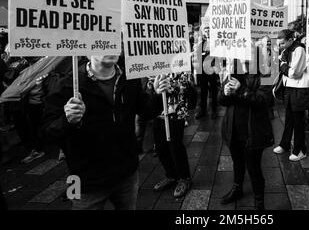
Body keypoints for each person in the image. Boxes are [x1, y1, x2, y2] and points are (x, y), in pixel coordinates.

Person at [41, 55, 163, 210]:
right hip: (83, 180)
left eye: (114, 40)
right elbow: (46, 131)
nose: (109, 47)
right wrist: (67, 120)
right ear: (87, 50)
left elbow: (146, 111)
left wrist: (158, 95)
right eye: (102, 40)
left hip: (127, 173)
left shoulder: (129, 80)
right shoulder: (66, 84)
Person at [219, 64, 274, 210]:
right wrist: (224, 93)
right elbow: (222, 101)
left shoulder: (265, 72)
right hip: (233, 129)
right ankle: (237, 189)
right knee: (237, 162)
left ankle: (259, 201)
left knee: (253, 167)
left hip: (253, 132)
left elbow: (264, 100)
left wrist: (241, 90)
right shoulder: (232, 69)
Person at [151, 72, 196, 198]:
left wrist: (171, 86)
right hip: (158, 114)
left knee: (175, 147)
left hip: (176, 115)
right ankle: (171, 175)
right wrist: (155, 89)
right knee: (160, 148)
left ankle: (184, 178)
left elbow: (185, 88)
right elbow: (147, 92)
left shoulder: (181, 69)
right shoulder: (153, 68)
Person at [273, 29, 309, 161]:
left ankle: (300, 150)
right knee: (289, 119)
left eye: (282, 43)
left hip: (299, 89)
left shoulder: (299, 50)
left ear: (291, 40)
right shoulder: (287, 50)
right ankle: (285, 144)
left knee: (298, 121)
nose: (280, 46)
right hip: (290, 88)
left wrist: (283, 64)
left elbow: (294, 73)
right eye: (279, 43)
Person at [195, 25, 219, 119]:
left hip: (212, 71)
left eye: (209, 30)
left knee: (214, 91)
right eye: (206, 30)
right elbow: (198, 56)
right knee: (203, 92)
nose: (207, 32)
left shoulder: (216, 43)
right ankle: (203, 110)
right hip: (203, 72)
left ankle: (214, 111)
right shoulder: (202, 43)